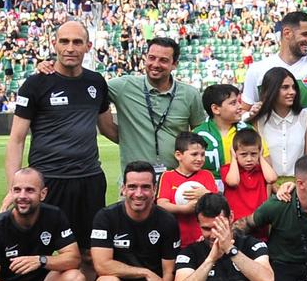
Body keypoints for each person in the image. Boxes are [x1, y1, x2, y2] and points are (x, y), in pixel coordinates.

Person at [5, 19, 113, 281]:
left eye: (77, 42)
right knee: (24, 254)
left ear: (88, 46)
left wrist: (158, 141)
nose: (70, 48)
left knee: (89, 257)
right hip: (47, 183)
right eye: (64, 41)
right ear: (54, 44)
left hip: (88, 181)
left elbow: (110, 129)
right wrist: (15, 186)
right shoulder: (36, 83)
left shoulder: (96, 83)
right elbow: (17, 138)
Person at [242, 10, 307, 164]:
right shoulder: (258, 70)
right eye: (305, 34)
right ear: (287, 33)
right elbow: (244, 112)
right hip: (276, 163)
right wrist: (252, 112)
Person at [106, 37, 205, 174]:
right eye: (151, 58)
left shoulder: (190, 94)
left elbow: (200, 135)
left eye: (163, 60)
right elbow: (92, 91)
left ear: (174, 64)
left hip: (177, 180)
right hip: (135, 182)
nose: (155, 64)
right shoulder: (124, 86)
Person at [193, 83, 272, 188]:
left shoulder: (248, 131)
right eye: (233, 103)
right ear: (216, 109)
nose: (240, 106)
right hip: (209, 196)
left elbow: (265, 165)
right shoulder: (197, 135)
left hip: (244, 195)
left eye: (239, 102)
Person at [157, 131, 219, 246]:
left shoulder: (207, 175)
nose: (200, 159)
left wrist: (206, 194)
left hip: (202, 238)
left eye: (202, 154)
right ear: (178, 155)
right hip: (176, 238)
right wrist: (184, 209)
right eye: (194, 154)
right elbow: (161, 204)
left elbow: (217, 204)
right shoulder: (167, 176)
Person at [251, 66, 307, 168]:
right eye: (285, 87)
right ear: (271, 89)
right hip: (267, 182)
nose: (292, 92)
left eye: (293, 87)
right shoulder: (258, 120)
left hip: (299, 181)